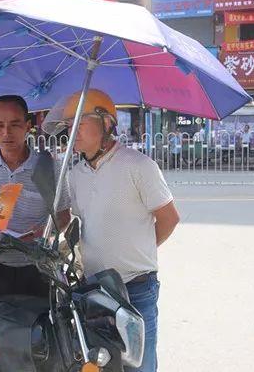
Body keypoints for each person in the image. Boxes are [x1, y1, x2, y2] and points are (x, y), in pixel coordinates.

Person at [54, 89, 180, 372]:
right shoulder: (75, 174)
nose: (71, 131)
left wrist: (140, 250)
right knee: (101, 363)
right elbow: (75, 221)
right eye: (68, 125)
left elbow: (169, 218)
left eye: (79, 123)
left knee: (140, 365)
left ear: (107, 123)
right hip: (94, 288)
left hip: (136, 286)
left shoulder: (139, 166)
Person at [0, 94, 71, 299]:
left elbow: (64, 215)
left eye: (14, 125)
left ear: (27, 126)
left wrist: (43, 232)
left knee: (39, 329)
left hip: (38, 268)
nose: (6, 133)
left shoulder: (50, 170)